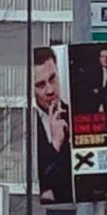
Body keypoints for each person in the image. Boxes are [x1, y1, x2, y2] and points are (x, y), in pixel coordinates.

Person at [32, 46, 73, 204]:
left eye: (52, 79)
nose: (50, 90)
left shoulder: (75, 115)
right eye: (41, 85)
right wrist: (55, 145)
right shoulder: (24, 125)